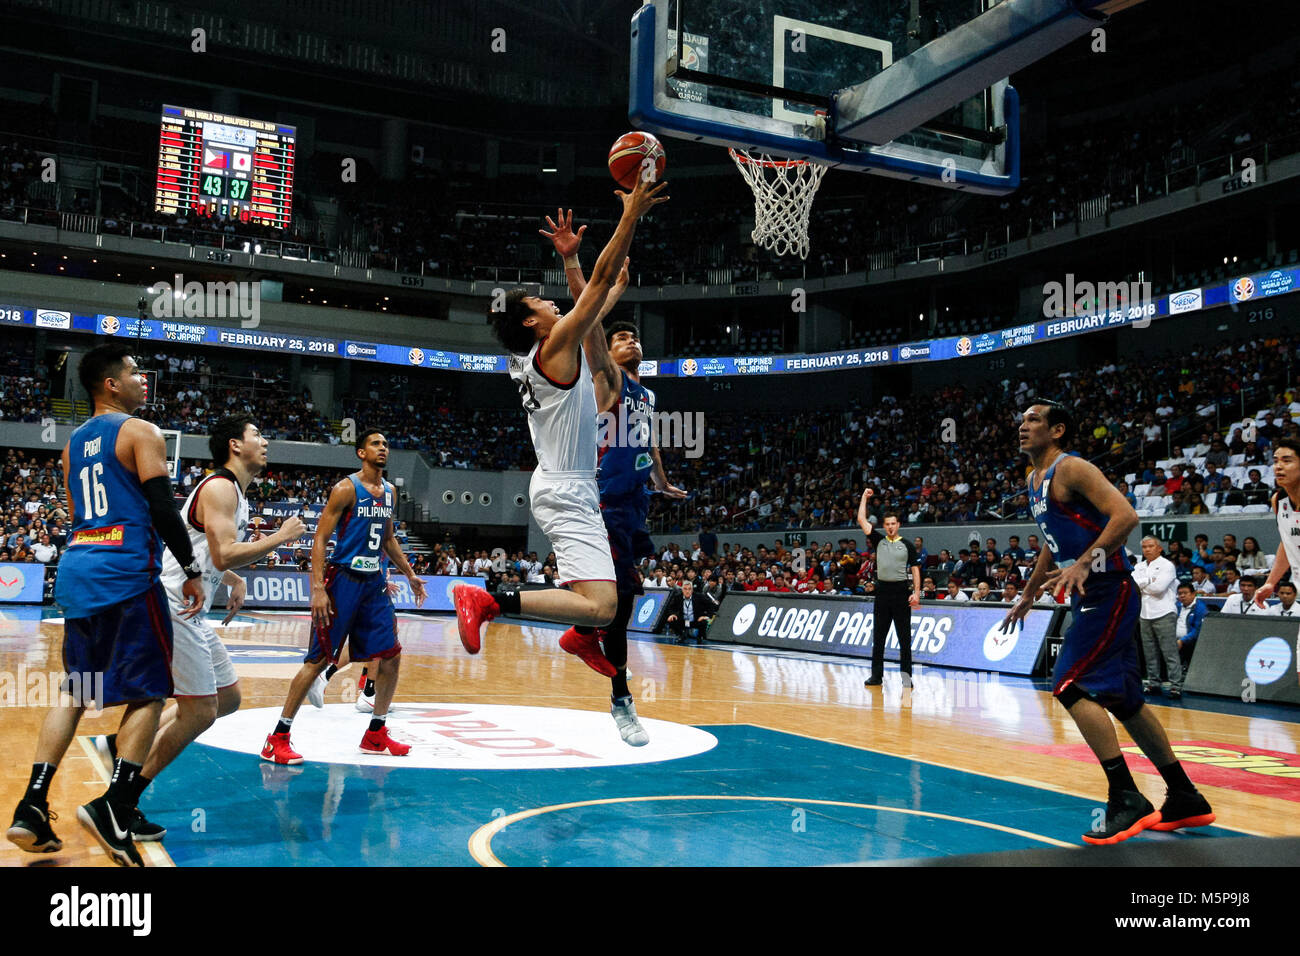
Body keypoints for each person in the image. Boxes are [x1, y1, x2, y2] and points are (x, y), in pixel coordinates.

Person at [453, 174, 667, 660]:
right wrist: (630, 215)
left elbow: (591, 312)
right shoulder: (553, 349)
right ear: (531, 321)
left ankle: (579, 636)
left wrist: (572, 258)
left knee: (600, 607)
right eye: (540, 302)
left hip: (563, 484)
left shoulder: (544, 356)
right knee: (603, 606)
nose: (551, 302)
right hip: (568, 488)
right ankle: (486, 599)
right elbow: (594, 290)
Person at [6, 343, 204, 867]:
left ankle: (32, 803)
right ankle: (116, 805)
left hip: (79, 570)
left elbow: (78, 518)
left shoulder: (73, 446)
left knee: (76, 690)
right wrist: (192, 568)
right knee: (152, 692)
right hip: (125, 574)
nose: (144, 380)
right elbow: (162, 507)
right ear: (111, 385)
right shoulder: (141, 432)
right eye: (136, 373)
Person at [1002, 400, 1213, 844]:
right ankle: (1184, 795)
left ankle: (1126, 796)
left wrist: (1084, 562)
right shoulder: (1032, 479)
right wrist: (1028, 592)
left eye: (1034, 419)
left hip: (1110, 589)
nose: (1023, 426)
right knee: (1126, 701)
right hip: (1088, 594)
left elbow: (1127, 517)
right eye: (1022, 420)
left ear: (1058, 430)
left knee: (1068, 684)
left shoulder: (1073, 468)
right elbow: (1050, 541)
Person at [107, 417, 307, 840]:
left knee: (227, 697)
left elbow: (205, 549)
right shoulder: (219, 487)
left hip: (190, 605)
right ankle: (121, 799)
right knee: (201, 710)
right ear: (235, 445)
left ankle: (122, 747)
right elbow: (224, 553)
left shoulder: (232, 491)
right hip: (175, 603)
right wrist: (282, 536)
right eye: (257, 435)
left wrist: (231, 579)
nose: (265, 440)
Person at [542, 207, 686, 746]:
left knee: (624, 599)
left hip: (634, 500)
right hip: (602, 499)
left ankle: (586, 637)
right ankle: (619, 695)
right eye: (621, 338)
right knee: (620, 603)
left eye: (634, 339)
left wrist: (663, 481)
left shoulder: (648, 396)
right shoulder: (605, 379)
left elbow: (645, 444)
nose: (629, 342)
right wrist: (575, 262)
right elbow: (589, 320)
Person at [262, 430, 427, 765]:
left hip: (374, 584)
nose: (383, 448)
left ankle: (376, 733)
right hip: (343, 581)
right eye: (376, 444)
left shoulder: (391, 492)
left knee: (391, 656)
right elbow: (320, 539)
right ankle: (277, 737)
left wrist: (409, 573)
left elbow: (390, 539)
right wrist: (318, 587)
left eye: (386, 444)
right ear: (360, 453)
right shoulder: (345, 489)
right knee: (318, 660)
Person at [857, 489, 921, 688]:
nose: (891, 527)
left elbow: (916, 570)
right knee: (879, 638)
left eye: (894, 523)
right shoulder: (879, 541)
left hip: (901, 593)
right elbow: (861, 519)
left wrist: (916, 592)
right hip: (882, 593)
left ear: (898, 525)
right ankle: (876, 676)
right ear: (884, 526)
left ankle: (906, 679)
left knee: (904, 639)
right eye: (887, 524)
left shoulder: (908, 545)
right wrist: (864, 498)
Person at [1133, 536, 1181, 698]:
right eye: (1144, 547)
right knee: (1149, 651)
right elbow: (1132, 585)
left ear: (1159, 548)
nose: (1147, 549)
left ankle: (1176, 685)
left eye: (1151, 546)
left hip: (1164, 612)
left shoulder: (1167, 565)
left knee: (1169, 651)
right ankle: (1154, 683)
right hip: (1144, 613)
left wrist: (1142, 585)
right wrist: (1148, 580)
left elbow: (1159, 588)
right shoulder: (1139, 566)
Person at [665, 579, 718, 643]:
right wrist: (672, 614)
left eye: (689, 589)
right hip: (682, 621)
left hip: (695, 620)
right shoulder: (677, 597)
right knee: (671, 619)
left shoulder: (699, 597)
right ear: (682, 590)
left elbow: (711, 605)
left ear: (692, 590)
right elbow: (670, 607)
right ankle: (681, 635)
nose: (687, 591)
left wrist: (706, 616)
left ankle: (700, 637)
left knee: (704, 621)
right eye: (685, 589)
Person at [1173, 583, 1208, 673]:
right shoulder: (1177, 605)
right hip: (1174, 639)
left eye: (1185, 593)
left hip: (1190, 642)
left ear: (1193, 594)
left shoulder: (1200, 608)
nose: (1182, 596)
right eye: (1180, 593)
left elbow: (1197, 631)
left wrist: (1182, 640)